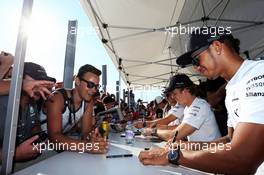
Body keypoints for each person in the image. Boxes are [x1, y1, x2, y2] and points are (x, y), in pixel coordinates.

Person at [138, 27, 264, 174]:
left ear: (217, 46)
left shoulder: (258, 74)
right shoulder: (232, 87)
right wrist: (186, 147)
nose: (196, 67)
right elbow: (229, 140)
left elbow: (243, 160)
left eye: (196, 59)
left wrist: (174, 156)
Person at [0, 62, 56, 162]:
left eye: (43, 81)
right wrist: (15, 154)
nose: (41, 85)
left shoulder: (32, 104)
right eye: (37, 80)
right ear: (21, 78)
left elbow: (35, 128)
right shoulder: (3, 104)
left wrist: (39, 139)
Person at [46, 64, 107, 153]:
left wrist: (93, 139)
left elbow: (85, 132)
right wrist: (87, 146)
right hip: (38, 150)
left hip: (61, 150)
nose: (94, 90)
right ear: (77, 81)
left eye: (97, 86)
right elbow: (54, 137)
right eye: (90, 85)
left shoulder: (87, 102)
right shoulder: (58, 98)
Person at [142, 74, 221, 142]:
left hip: (210, 154)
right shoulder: (188, 108)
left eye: (174, 93)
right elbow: (180, 128)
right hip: (201, 151)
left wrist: (153, 131)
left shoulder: (199, 106)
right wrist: (159, 127)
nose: (172, 97)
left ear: (185, 90)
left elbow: (175, 135)